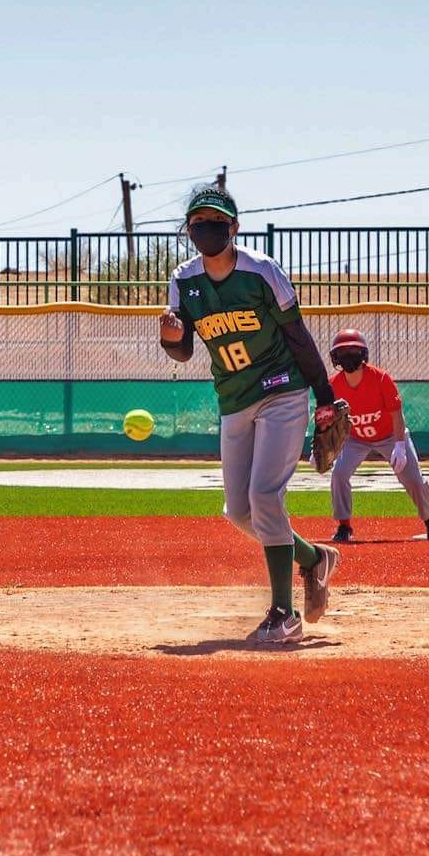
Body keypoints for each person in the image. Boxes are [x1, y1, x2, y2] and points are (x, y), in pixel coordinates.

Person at [158, 185, 341, 644]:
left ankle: (284, 613)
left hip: (282, 391)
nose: (206, 228)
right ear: (188, 231)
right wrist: (170, 338)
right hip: (233, 399)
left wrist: (325, 396)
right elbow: (182, 351)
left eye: (215, 221)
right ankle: (314, 559)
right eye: (197, 223)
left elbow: (297, 336)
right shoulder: (184, 280)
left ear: (234, 227)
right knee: (240, 512)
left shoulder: (261, 271)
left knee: (264, 496)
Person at [324, 329, 429, 542]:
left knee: (412, 478)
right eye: (343, 352)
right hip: (354, 438)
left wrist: (399, 444)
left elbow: (396, 414)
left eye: (353, 351)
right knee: (339, 474)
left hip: (390, 435)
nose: (348, 356)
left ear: (363, 354)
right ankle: (344, 526)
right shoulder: (333, 385)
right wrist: (325, 444)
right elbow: (329, 418)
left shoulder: (380, 378)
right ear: (335, 357)